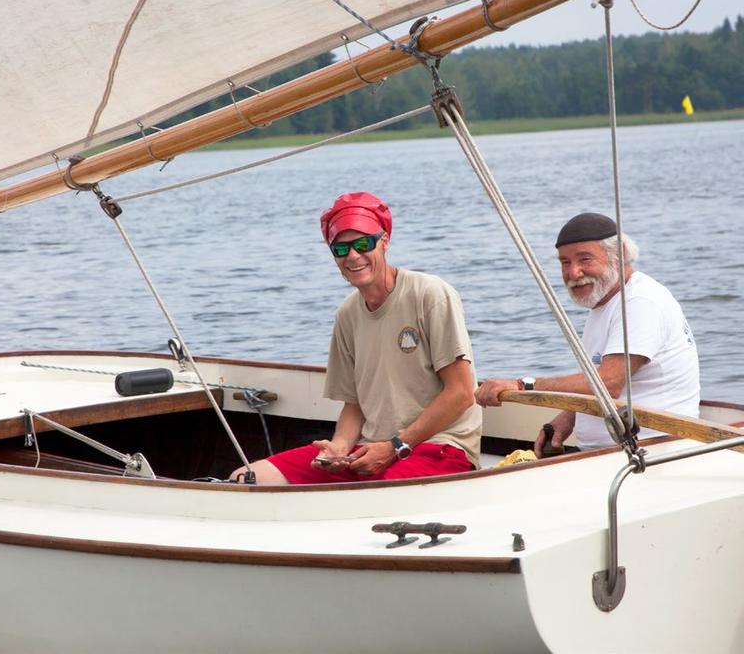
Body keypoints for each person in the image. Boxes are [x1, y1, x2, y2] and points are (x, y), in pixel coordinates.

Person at [230, 192, 481, 484]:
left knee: (375, 496)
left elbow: (461, 392)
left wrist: (395, 447)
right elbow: (355, 404)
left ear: (384, 242)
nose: (353, 256)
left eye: (363, 244)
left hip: (440, 448)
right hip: (370, 449)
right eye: (341, 249)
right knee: (246, 479)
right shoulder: (347, 314)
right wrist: (338, 448)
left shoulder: (429, 293)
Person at [475, 212, 700, 455]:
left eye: (585, 259)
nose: (573, 273)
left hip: (652, 452)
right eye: (565, 263)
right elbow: (611, 383)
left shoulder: (640, 302)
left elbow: (608, 383)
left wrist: (521, 385)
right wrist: (569, 416)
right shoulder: (606, 301)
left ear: (619, 254)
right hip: (606, 453)